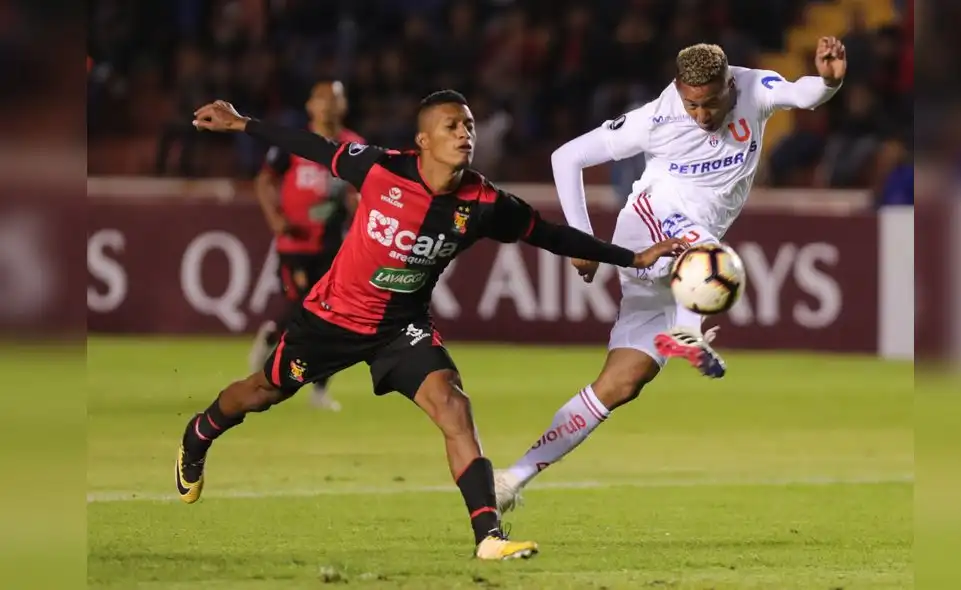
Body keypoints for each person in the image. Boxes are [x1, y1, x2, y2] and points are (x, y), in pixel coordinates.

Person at [178, 90, 690, 560]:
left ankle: (488, 536)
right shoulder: (380, 169)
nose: (465, 134)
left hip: (401, 328)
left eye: (468, 125)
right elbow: (311, 146)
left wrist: (633, 256)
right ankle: (199, 433)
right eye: (452, 126)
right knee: (262, 391)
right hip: (331, 319)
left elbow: (551, 234)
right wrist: (242, 123)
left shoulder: (485, 203)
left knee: (454, 406)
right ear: (423, 141)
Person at [494, 38, 847, 513]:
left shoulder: (754, 87)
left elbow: (804, 94)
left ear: (729, 84)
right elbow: (567, 157)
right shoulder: (657, 119)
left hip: (675, 257)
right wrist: (580, 239)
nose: (702, 115)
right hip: (652, 220)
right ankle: (688, 331)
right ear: (679, 91)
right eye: (692, 103)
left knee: (620, 385)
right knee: (711, 259)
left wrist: (829, 79)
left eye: (712, 102)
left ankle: (512, 479)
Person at [248, 80, 363, 411]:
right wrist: (276, 218)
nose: (327, 105)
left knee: (333, 316)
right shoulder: (295, 144)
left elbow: (365, 189)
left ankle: (319, 390)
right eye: (321, 99)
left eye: (334, 99)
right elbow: (264, 179)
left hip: (335, 246)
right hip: (295, 244)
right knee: (303, 307)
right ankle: (273, 336)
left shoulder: (354, 147)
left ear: (344, 106)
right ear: (311, 106)